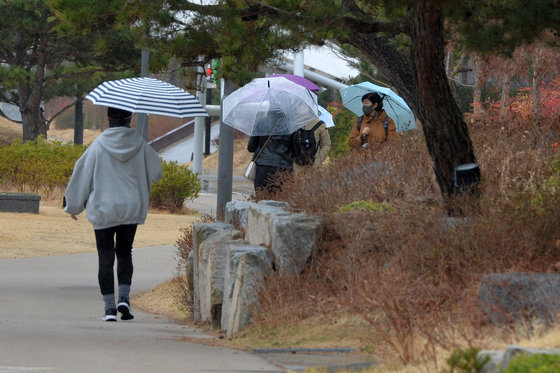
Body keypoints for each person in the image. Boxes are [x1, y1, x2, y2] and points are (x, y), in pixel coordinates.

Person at [63, 107, 163, 322]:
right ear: (130, 119)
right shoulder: (141, 146)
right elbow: (157, 173)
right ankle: (124, 299)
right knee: (125, 252)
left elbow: (81, 173)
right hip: (131, 208)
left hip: (104, 209)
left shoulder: (97, 147)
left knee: (105, 257)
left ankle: (109, 309)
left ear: (108, 118)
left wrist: (73, 206)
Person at [247, 111, 294, 194]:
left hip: (262, 168)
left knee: (261, 199)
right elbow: (297, 151)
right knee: (281, 201)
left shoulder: (260, 122)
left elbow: (251, 147)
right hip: (283, 168)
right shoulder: (292, 125)